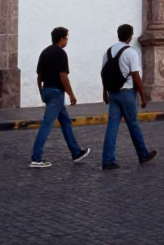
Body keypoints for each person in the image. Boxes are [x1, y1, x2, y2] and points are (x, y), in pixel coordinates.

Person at [30, 26, 90, 168]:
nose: (67, 40)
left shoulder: (44, 52)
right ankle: (36, 158)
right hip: (57, 93)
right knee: (46, 124)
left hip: (47, 91)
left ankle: (76, 152)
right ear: (62, 39)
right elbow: (63, 76)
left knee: (65, 121)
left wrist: (41, 92)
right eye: (67, 38)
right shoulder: (61, 53)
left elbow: (39, 76)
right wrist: (71, 95)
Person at [100, 24, 157, 170]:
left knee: (112, 126)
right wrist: (143, 96)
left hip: (113, 93)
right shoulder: (131, 52)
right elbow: (136, 76)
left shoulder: (108, 52)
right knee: (133, 124)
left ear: (118, 34)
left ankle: (107, 159)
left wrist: (104, 92)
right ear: (130, 36)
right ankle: (142, 154)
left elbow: (104, 74)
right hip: (127, 93)